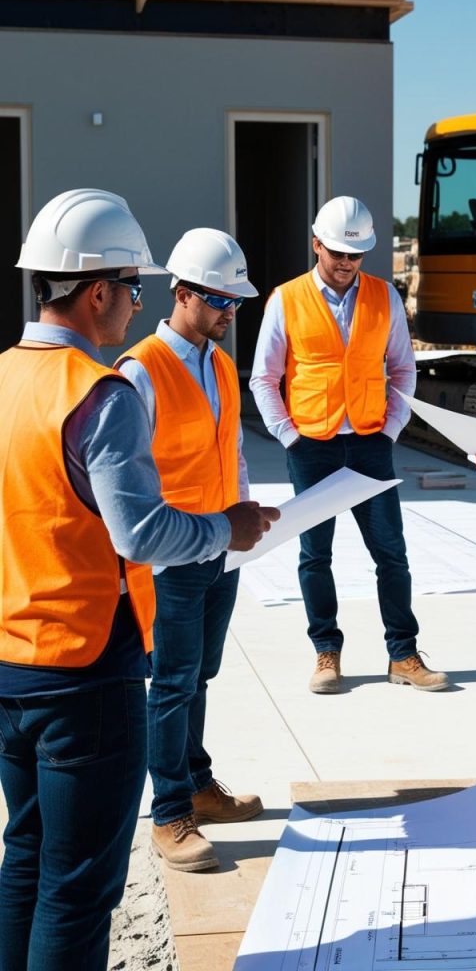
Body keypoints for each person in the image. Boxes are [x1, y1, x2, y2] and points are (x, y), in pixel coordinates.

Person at [0, 189, 278, 971]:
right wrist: (226, 530)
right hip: (84, 672)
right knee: (78, 888)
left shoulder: (6, 378)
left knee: (27, 857)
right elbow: (143, 533)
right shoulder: (101, 393)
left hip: (12, 659)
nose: (134, 303)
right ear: (97, 292)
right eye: (131, 287)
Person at [250, 195, 448, 694]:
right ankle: (326, 652)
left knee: (391, 554)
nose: (345, 262)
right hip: (311, 446)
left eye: (355, 254)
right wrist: (289, 436)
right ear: (316, 244)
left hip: (369, 444)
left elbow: (403, 369)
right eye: (337, 251)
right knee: (315, 556)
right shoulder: (286, 299)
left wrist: (390, 429)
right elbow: (263, 378)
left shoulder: (385, 297)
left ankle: (403, 655)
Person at [117, 228, 262, 873]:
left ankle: (197, 783)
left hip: (222, 551)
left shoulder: (223, 364)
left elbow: (232, 452)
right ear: (181, 294)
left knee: (199, 675)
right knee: (171, 684)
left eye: (236, 301)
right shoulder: (139, 370)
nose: (230, 311)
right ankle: (170, 812)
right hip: (170, 559)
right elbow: (128, 479)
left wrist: (247, 517)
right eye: (219, 300)